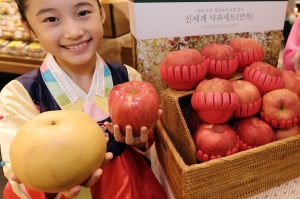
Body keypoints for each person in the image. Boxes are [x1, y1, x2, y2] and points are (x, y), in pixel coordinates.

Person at [0, 0, 168, 198]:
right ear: (29, 28)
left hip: (131, 188)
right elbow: (18, 172)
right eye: (51, 19)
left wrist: (140, 142)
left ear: (102, 13)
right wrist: (52, 183)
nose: (74, 32)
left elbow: (151, 149)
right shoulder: (20, 95)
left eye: (82, 13)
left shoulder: (128, 78)